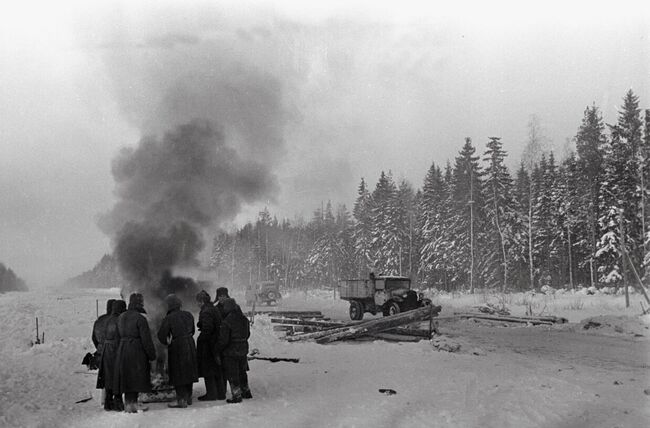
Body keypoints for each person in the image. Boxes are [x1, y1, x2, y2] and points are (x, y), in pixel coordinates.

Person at [113, 293, 157, 413]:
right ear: (139, 304)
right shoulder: (140, 319)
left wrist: (119, 351)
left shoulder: (120, 317)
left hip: (123, 350)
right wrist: (152, 356)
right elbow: (146, 340)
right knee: (135, 377)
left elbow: (117, 338)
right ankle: (133, 404)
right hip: (136, 350)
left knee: (127, 378)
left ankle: (128, 404)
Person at [157, 294, 199, 408]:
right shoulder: (188, 315)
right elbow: (193, 331)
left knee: (178, 372)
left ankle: (181, 400)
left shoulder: (169, 318)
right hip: (190, 343)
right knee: (188, 370)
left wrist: (167, 342)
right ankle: (188, 397)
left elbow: (161, 335)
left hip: (177, 346)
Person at [215, 298, 252, 403]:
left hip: (231, 351)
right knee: (242, 371)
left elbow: (223, 340)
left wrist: (217, 349)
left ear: (228, 308)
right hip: (243, 349)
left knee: (232, 373)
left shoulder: (227, 321)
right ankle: (246, 391)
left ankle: (236, 395)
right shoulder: (244, 319)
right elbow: (248, 334)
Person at [195, 290, 226, 401]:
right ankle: (221, 393)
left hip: (209, 344)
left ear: (202, 301)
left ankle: (211, 394)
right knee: (217, 369)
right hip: (216, 342)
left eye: (198, 302)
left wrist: (201, 339)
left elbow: (208, 328)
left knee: (208, 369)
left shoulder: (206, 311)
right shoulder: (213, 308)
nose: (197, 304)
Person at [99, 299, 126, 411]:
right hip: (116, 349)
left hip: (106, 350)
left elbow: (100, 337)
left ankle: (107, 402)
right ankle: (118, 402)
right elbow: (122, 336)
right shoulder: (120, 320)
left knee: (108, 376)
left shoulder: (106, 320)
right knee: (117, 375)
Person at [92, 299, 115, 406]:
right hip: (111, 350)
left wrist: (99, 348)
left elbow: (93, 338)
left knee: (104, 375)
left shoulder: (99, 320)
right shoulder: (114, 320)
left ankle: (104, 399)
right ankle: (113, 399)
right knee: (113, 374)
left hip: (101, 350)